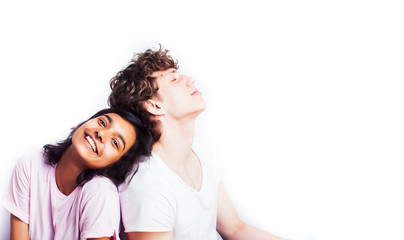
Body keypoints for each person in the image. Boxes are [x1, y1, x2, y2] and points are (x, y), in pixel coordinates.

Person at [109, 46, 284, 240]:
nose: (190, 80)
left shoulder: (201, 151)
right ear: (154, 105)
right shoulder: (148, 183)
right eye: (174, 79)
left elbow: (235, 229)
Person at [2, 108, 153, 240]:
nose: (101, 134)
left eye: (115, 143)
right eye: (102, 122)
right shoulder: (31, 163)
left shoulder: (100, 192)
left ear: (116, 164)